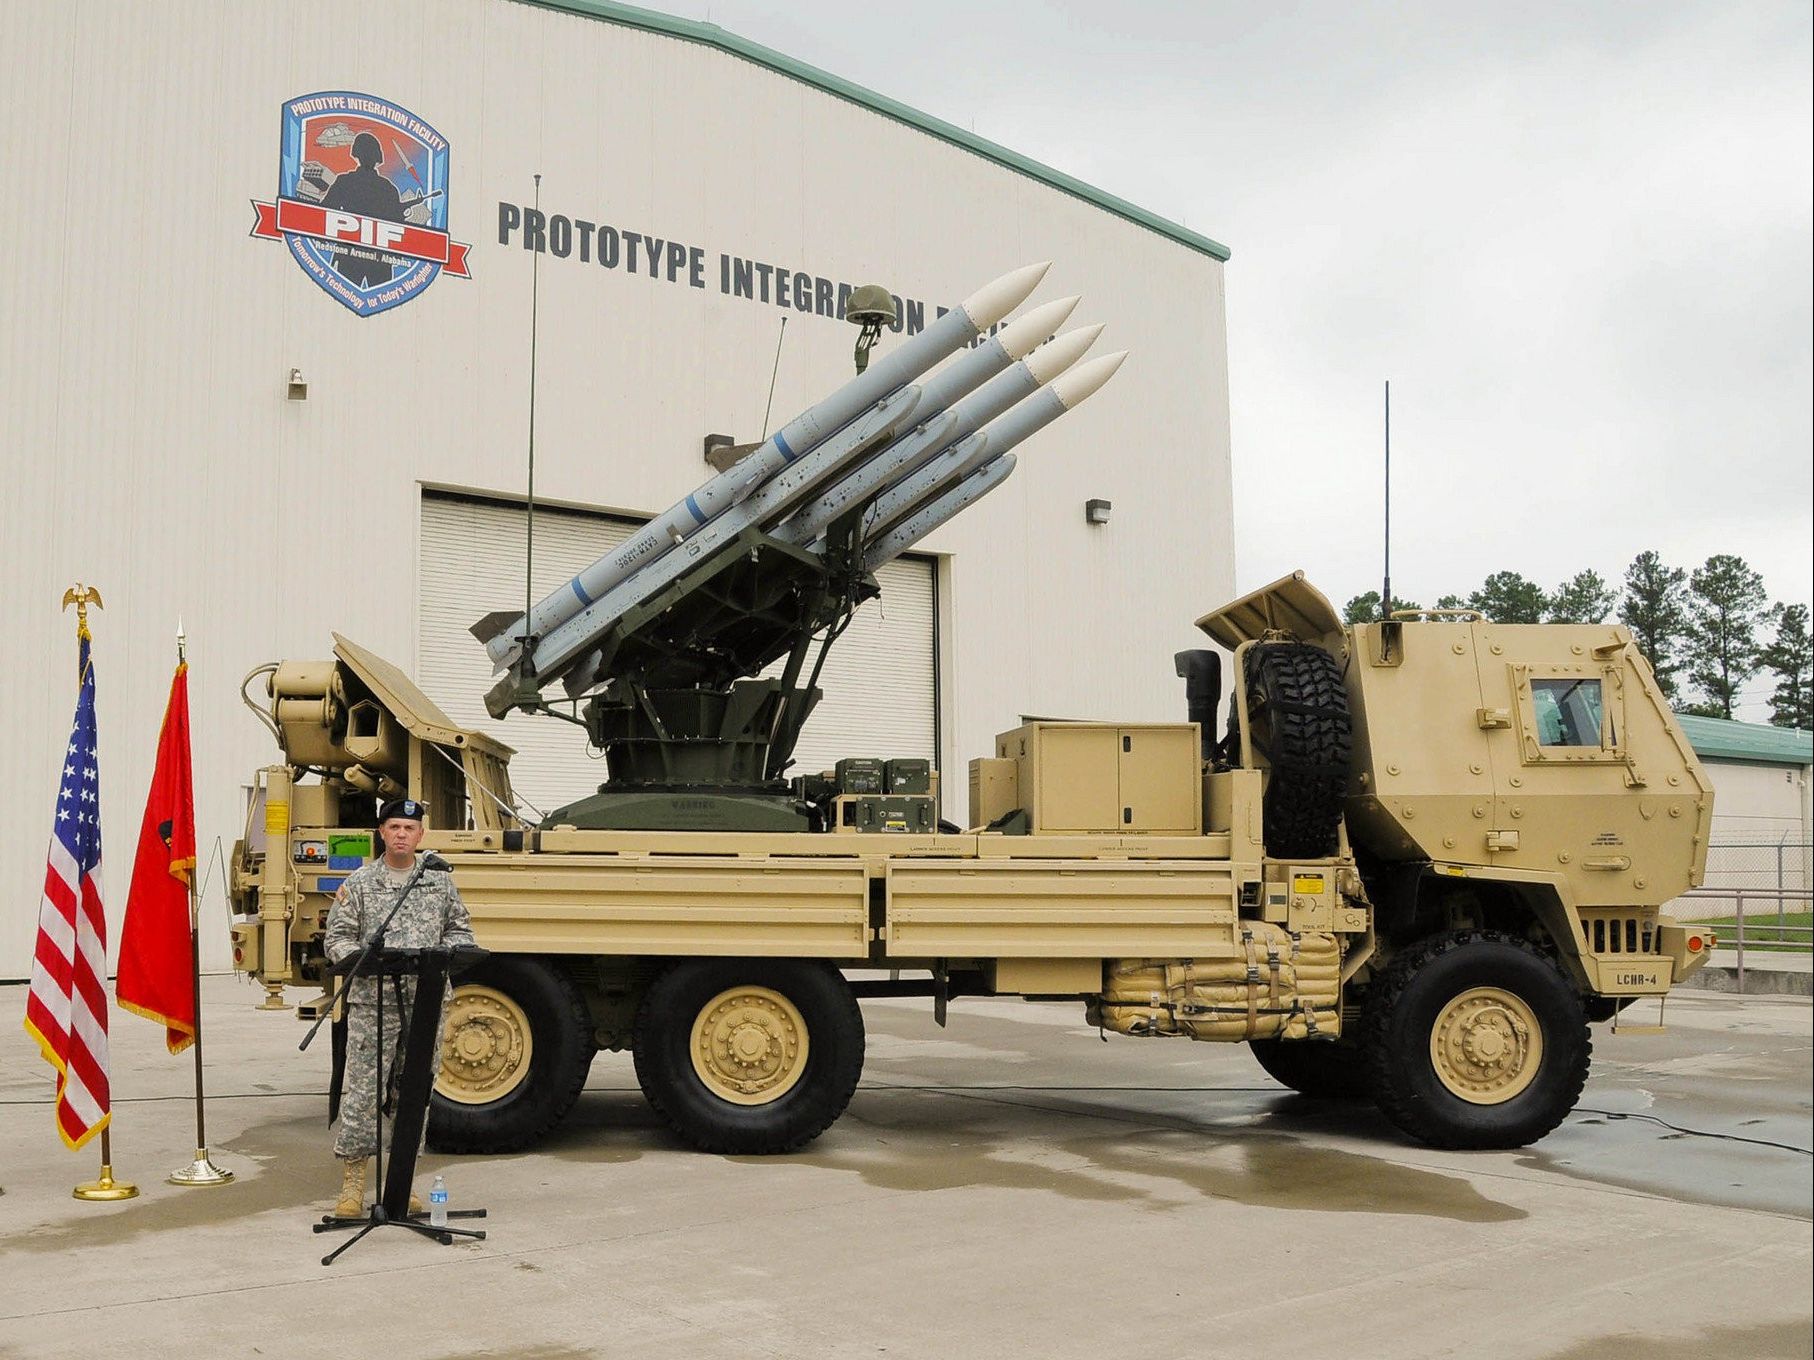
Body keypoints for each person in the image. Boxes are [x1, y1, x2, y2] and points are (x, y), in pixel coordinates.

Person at [323, 798, 473, 1218]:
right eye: (394, 827)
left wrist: (449, 950)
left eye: (409, 828)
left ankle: (402, 1180)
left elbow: (461, 928)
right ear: (382, 833)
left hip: (424, 1003)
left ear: (421, 835)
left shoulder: (439, 882)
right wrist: (360, 957)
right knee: (365, 1091)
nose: (402, 834)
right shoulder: (361, 883)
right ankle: (353, 1185)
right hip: (375, 1002)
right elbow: (337, 938)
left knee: (414, 1092)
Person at [320, 130, 405, 287]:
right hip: (377, 260)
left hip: (351, 256)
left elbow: (324, 211)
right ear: (377, 157)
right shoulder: (388, 188)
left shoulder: (345, 181)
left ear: (356, 153)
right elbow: (399, 222)